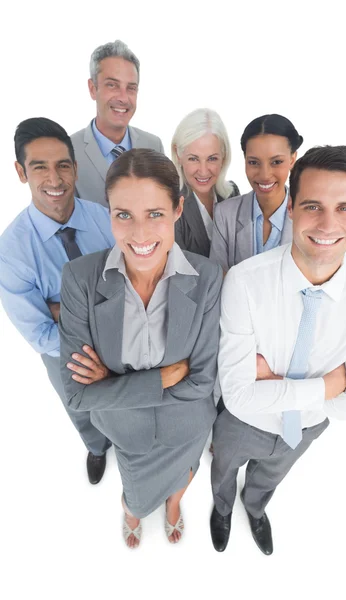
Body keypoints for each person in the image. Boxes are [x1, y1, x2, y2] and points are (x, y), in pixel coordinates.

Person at [210, 145, 346, 555]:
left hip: (308, 426)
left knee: (270, 477)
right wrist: (329, 385)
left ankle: (254, 509)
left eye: (345, 207)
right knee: (223, 469)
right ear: (291, 206)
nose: (329, 223)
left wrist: (273, 383)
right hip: (244, 422)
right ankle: (222, 508)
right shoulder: (243, 283)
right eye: (313, 205)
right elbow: (238, 395)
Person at [58, 148, 222, 548]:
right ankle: (133, 510)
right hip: (128, 434)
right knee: (135, 492)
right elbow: (78, 394)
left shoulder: (207, 276)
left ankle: (173, 504)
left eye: (155, 214)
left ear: (178, 209)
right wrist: (162, 378)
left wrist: (113, 381)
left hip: (187, 427)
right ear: (108, 213)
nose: (140, 233)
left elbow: (202, 381)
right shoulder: (81, 278)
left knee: (183, 475)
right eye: (124, 215)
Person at [0, 117, 116, 484]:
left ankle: (128, 444)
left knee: (126, 398)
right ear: (21, 172)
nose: (55, 179)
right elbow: (39, 333)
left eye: (63, 165)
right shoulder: (11, 251)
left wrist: (62, 309)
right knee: (80, 410)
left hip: (122, 336)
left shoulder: (105, 218)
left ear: (75, 168)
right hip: (63, 355)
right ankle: (97, 448)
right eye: (40, 167)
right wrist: (93, 318)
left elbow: (131, 286)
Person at [71, 40, 164, 206]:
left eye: (131, 88)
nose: (123, 98)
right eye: (112, 85)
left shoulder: (153, 145)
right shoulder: (69, 151)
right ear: (93, 89)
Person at [210, 113, 303, 271]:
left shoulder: (307, 215)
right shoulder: (225, 214)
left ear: (292, 160)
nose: (265, 175)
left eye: (276, 162)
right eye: (254, 162)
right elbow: (217, 278)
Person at [171, 108, 239, 257]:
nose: (203, 171)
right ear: (178, 154)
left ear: (224, 156)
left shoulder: (232, 194)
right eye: (193, 159)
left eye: (212, 158)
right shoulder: (169, 203)